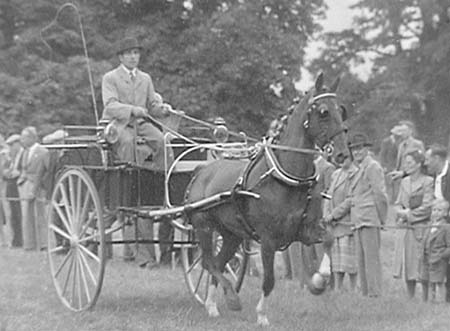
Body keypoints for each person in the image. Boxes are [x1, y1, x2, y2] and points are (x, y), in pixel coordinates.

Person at [325, 132, 388, 297]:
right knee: (361, 260)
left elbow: (380, 195)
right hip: (357, 219)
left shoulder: (373, 167)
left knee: (371, 259)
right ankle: (366, 294)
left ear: (367, 149)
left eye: (360, 149)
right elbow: (352, 198)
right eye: (354, 149)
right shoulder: (359, 169)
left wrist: (381, 219)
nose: (357, 152)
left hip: (369, 219)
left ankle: (375, 294)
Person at [101, 36, 175, 170]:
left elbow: (152, 106)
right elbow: (110, 105)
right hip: (118, 125)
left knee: (162, 141)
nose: (133, 57)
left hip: (141, 124)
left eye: (135, 53)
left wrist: (163, 110)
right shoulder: (110, 78)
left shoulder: (145, 78)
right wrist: (132, 110)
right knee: (128, 142)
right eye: (128, 53)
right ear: (121, 57)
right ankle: (129, 183)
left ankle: (162, 179)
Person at [392, 150, 433, 299]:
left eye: (409, 163)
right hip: (405, 228)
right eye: (405, 163)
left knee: (421, 262)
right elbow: (397, 203)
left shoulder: (428, 181)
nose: (406, 166)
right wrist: (399, 212)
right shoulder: (404, 181)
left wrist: (409, 214)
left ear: (419, 164)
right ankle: (410, 297)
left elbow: (428, 206)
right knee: (408, 263)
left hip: (420, 227)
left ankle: (425, 297)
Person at [324, 156, 358, 291]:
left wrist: (334, 215)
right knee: (337, 259)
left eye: (345, 157)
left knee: (349, 260)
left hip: (346, 222)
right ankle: (337, 288)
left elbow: (350, 200)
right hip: (333, 225)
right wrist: (326, 214)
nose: (342, 159)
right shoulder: (336, 174)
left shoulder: (355, 173)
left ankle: (353, 288)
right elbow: (328, 194)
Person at [424, 143, 450, 302]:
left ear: (437, 158)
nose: (425, 163)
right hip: (441, 225)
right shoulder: (437, 176)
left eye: (428, 159)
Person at [17, 127, 49, 250]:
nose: (22, 140)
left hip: (38, 186)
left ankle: (43, 244)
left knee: (40, 215)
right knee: (26, 215)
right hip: (25, 184)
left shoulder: (43, 151)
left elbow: (47, 171)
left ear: (32, 138)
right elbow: (22, 168)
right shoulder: (24, 151)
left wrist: (38, 186)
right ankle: (29, 244)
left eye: (24, 137)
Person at [420, 199, 450, 303]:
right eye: (434, 210)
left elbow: (449, 246)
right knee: (426, 280)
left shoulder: (446, 227)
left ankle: (440, 301)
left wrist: (442, 256)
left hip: (439, 260)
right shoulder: (429, 225)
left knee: (438, 282)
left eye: (439, 210)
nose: (436, 212)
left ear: (445, 213)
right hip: (427, 259)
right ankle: (428, 301)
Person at [3, 134, 23, 247]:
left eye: (12, 145)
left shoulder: (22, 155)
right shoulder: (9, 157)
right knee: (13, 216)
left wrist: (15, 173)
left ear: (17, 144)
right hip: (10, 188)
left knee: (20, 215)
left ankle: (21, 240)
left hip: (18, 187)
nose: (10, 148)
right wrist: (7, 172)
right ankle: (16, 240)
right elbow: (4, 171)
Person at [379, 128, 400, 202]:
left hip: (397, 167)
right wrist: (383, 166)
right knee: (389, 184)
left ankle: (395, 199)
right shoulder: (386, 142)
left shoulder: (400, 142)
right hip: (388, 166)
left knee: (397, 184)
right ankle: (389, 200)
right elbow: (382, 154)